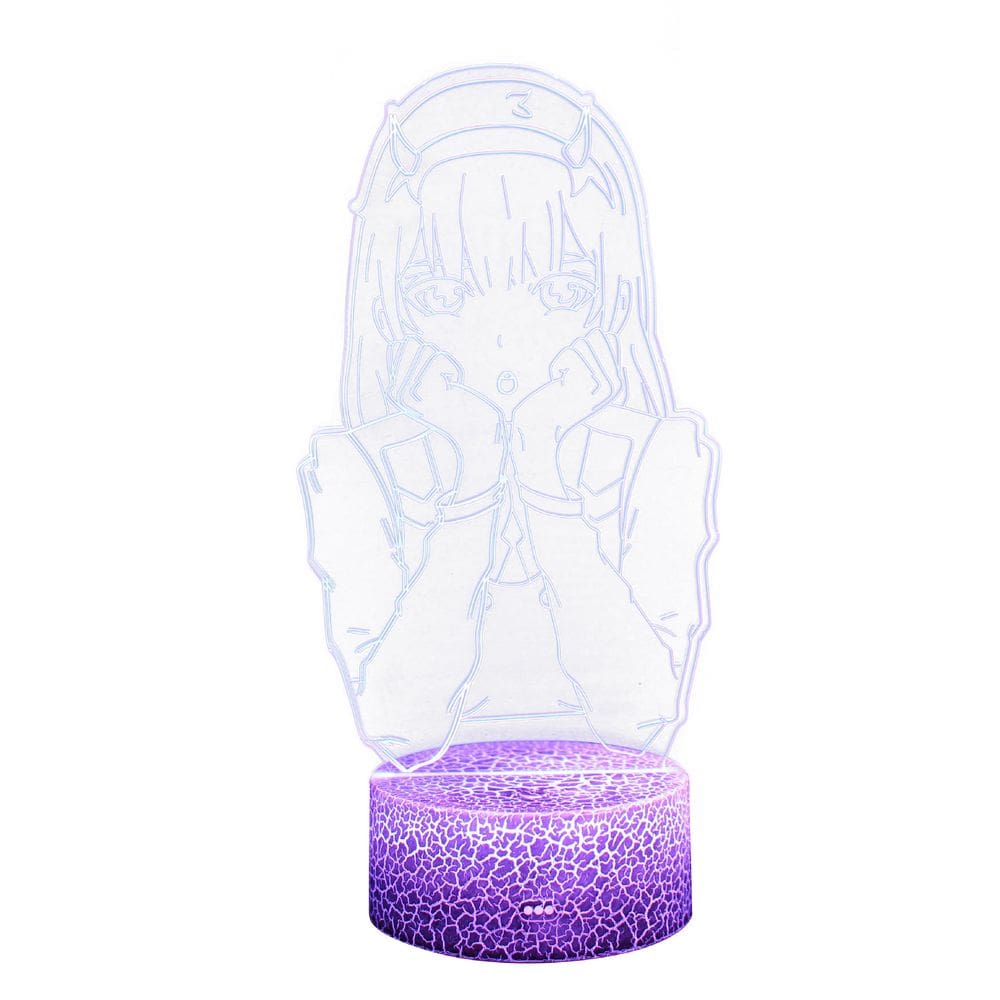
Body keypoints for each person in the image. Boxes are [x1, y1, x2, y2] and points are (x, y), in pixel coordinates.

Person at [299, 67, 718, 770]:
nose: (500, 342)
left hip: (616, 824)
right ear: (389, 304)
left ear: (611, 294)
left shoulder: (659, 453)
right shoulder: (355, 466)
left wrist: (545, 482)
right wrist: (475, 485)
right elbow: (398, 727)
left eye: (561, 290)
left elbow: (642, 719)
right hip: (426, 829)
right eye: (442, 295)